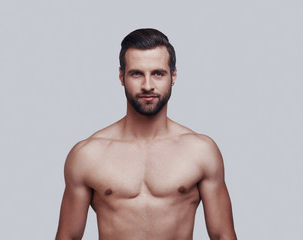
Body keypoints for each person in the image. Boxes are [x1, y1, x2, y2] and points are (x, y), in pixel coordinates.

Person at [56, 28, 237, 240]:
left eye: (158, 73)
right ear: (122, 77)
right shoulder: (88, 154)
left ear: (173, 76)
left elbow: (223, 235)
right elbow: (67, 237)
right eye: (136, 74)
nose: (148, 85)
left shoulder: (200, 152)